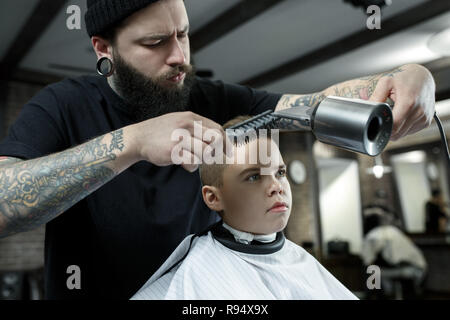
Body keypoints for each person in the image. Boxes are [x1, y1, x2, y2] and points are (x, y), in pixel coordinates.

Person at [0, 0, 436, 299]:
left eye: (183, 35)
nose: (179, 57)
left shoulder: (213, 99)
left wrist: (408, 77)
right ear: (103, 48)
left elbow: (307, 106)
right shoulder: (62, 106)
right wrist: (132, 144)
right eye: (155, 43)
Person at [131, 116, 358, 300]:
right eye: (254, 177)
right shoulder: (195, 271)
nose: (276, 187)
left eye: (280, 173)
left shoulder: (299, 259)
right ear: (213, 198)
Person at [361, 211, 427, 299]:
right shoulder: (393, 230)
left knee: (371, 270)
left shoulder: (372, 236)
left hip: (400, 269)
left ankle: (374, 296)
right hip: (417, 269)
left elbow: (368, 260)